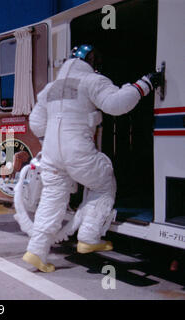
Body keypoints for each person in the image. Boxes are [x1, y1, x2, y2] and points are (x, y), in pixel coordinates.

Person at [22, 44, 162, 273]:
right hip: (78, 150)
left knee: (52, 198)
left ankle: (36, 252)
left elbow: (36, 123)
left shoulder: (50, 88)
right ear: (90, 61)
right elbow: (116, 104)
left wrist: (53, 142)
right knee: (103, 182)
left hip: (51, 153)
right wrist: (144, 84)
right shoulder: (91, 81)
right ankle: (89, 236)